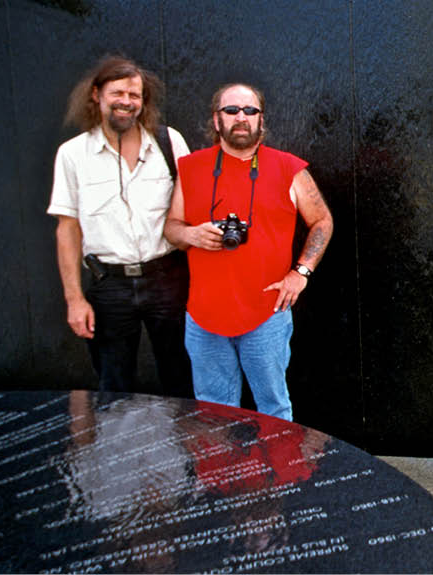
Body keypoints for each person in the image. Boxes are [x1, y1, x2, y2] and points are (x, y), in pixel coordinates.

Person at [164, 83, 333, 421]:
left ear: (261, 119)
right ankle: (221, 462)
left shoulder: (289, 168)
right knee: (212, 413)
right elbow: (171, 227)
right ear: (216, 120)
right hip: (204, 316)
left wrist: (300, 273)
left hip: (267, 313)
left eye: (250, 110)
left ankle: (278, 460)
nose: (241, 117)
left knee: (273, 408)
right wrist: (191, 234)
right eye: (231, 110)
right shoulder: (191, 167)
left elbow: (322, 221)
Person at [48, 56, 192, 397]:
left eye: (134, 95)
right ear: (96, 94)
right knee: (114, 387)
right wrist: (74, 299)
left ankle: (188, 434)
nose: (126, 101)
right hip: (108, 284)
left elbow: (192, 209)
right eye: (118, 93)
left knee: (183, 377)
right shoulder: (72, 154)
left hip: (168, 278)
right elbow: (67, 229)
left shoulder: (169, 142)